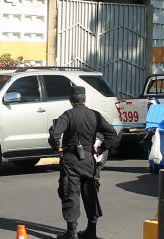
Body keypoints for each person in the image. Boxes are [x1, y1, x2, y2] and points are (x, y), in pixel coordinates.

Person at [48, 85, 117, 239]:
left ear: (71, 100)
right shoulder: (95, 115)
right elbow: (111, 134)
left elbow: (54, 133)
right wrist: (100, 149)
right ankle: (92, 230)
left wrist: (57, 147)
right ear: (84, 99)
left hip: (71, 160)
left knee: (70, 193)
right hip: (89, 160)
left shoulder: (68, 115)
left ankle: (72, 232)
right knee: (90, 193)